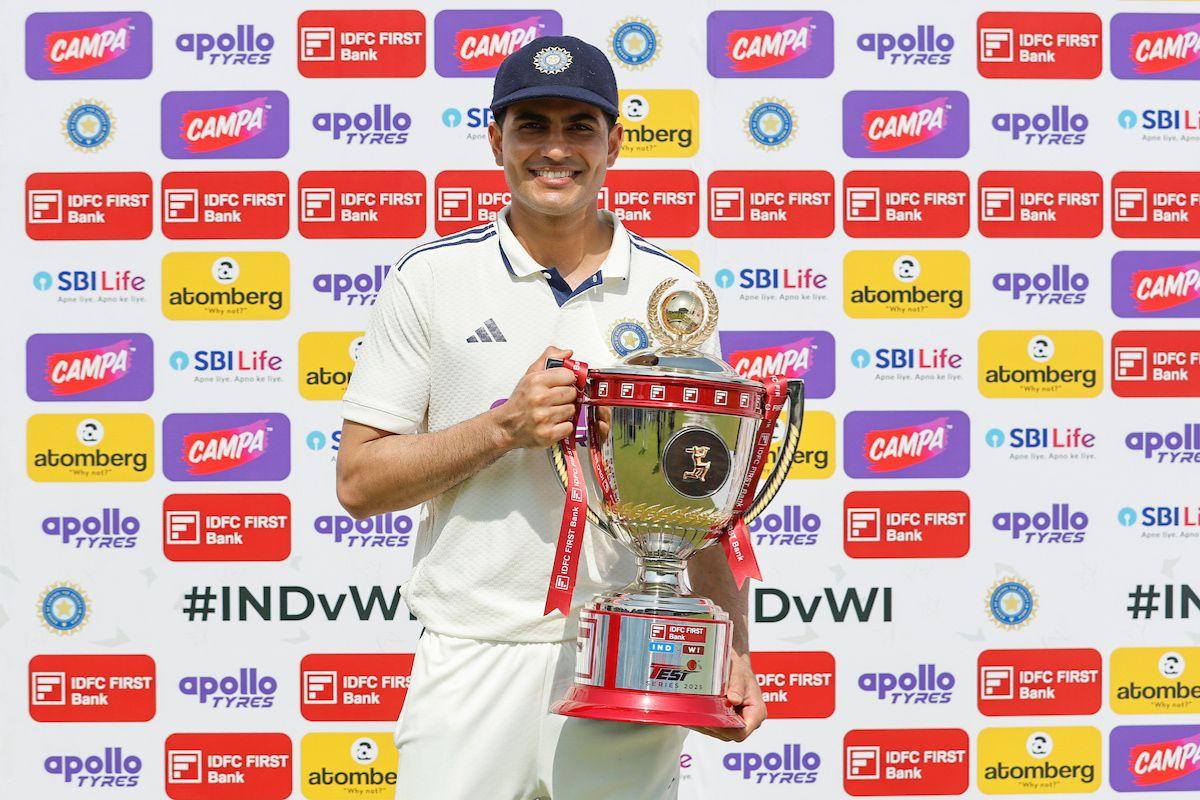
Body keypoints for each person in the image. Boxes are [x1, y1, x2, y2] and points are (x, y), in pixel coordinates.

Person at [336, 35, 764, 799]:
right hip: (472, 653)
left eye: (579, 126)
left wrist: (733, 647)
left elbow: (704, 500)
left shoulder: (672, 296)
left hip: (627, 655)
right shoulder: (430, 278)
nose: (555, 148)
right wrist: (502, 429)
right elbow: (361, 483)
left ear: (614, 143)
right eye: (532, 125)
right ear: (496, 139)